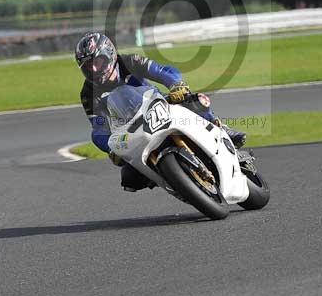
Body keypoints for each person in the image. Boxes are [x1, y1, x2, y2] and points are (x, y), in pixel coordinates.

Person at [75, 31, 247, 191]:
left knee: (196, 101)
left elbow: (162, 71)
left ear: (108, 55)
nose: (94, 69)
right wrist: (111, 148)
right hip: (130, 128)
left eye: (96, 62)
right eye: (88, 66)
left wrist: (176, 85)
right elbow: (98, 127)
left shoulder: (129, 62)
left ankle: (221, 128)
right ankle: (167, 177)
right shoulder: (87, 94)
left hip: (159, 105)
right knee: (129, 177)